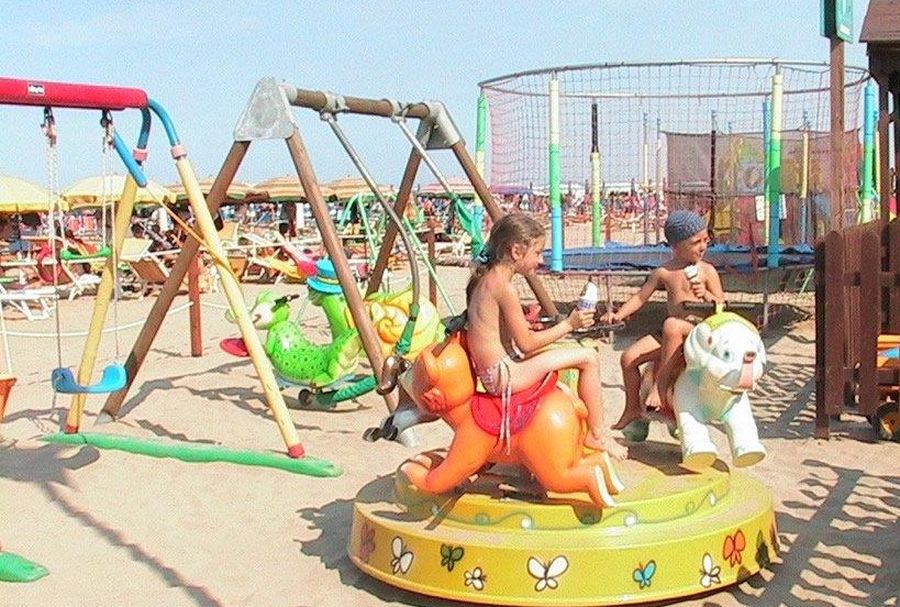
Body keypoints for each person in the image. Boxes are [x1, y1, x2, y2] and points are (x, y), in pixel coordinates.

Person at [466, 213, 628, 459]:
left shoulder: (487, 279)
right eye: (537, 252)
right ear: (517, 251)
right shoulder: (504, 287)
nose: (541, 260)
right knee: (588, 357)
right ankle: (597, 434)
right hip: (504, 375)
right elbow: (527, 345)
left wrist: (532, 324)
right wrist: (569, 324)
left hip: (495, 370)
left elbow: (506, 334)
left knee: (560, 354)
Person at [600, 209, 725, 430]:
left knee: (672, 325)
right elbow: (640, 297)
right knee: (628, 358)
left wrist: (705, 295)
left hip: (698, 333)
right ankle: (632, 409)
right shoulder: (664, 272)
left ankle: (660, 385)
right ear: (676, 247)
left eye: (706, 240)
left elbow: (721, 307)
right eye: (696, 242)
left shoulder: (707, 271)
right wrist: (618, 314)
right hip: (671, 335)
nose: (703, 247)